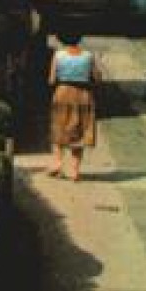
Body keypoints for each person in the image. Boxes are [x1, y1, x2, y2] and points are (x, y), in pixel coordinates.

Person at [47, 33, 99, 181]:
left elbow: (51, 80)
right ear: (79, 39)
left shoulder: (58, 55)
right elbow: (97, 78)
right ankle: (75, 170)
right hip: (83, 94)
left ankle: (57, 163)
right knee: (80, 129)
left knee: (59, 127)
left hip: (62, 92)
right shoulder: (89, 56)